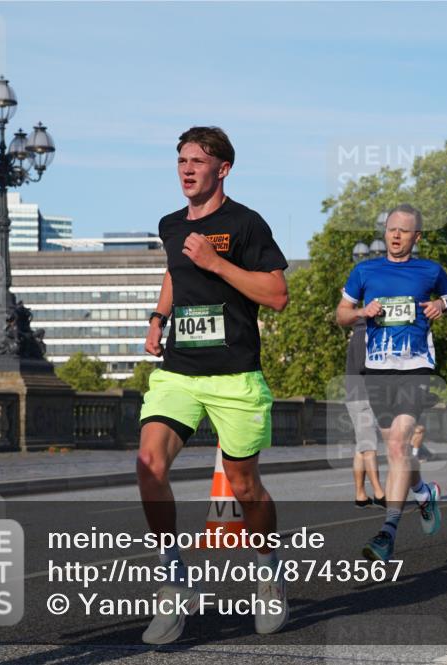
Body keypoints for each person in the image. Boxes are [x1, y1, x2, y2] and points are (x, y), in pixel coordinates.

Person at [136, 126, 290, 642]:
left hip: (234, 375)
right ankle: (173, 580)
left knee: (245, 487)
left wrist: (217, 263)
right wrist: (159, 319)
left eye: (197, 161)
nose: (186, 169)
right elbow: (175, 272)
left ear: (222, 168)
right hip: (179, 370)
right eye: (181, 160)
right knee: (148, 464)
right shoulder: (170, 224)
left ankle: (267, 573)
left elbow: (276, 294)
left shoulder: (245, 224)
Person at [336, 204, 447, 562]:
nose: (395, 235)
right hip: (377, 370)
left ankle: (387, 532)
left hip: (416, 367)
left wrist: (442, 304)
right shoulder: (365, 270)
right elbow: (341, 314)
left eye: (404, 231)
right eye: (391, 229)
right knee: (399, 447)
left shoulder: (430, 270)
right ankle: (423, 493)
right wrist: (362, 312)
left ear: (416, 237)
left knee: (397, 445)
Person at [345, 314, 386, 508]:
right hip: (362, 396)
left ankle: (360, 495)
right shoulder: (363, 333)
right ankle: (380, 493)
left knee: (362, 447)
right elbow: (364, 366)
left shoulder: (361, 331)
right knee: (369, 446)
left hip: (358, 395)